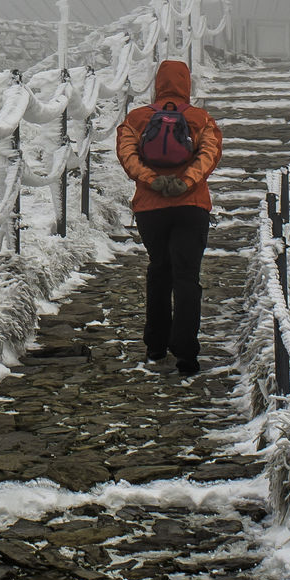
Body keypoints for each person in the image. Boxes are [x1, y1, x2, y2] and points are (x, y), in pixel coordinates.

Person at [114, 57, 223, 373]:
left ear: (157, 83)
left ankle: (155, 346)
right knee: (187, 277)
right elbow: (209, 155)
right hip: (192, 207)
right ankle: (187, 354)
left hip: (151, 208)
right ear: (187, 84)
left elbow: (127, 156)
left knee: (159, 270)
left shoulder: (136, 119)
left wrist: (152, 181)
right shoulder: (201, 118)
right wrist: (185, 182)